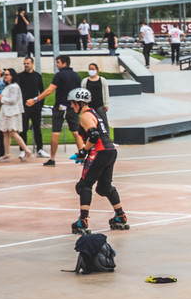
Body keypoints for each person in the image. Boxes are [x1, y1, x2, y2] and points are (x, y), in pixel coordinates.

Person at [67, 86, 130, 234]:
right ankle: (120, 216)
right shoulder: (93, 113)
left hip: (100, 152)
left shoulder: (85, 116)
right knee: (104, 187)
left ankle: (83, 220)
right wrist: (84, 152)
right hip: (110, 151)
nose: (71, 105)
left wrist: (84, 151)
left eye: (73, 102)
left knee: (84, 185)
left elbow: (94, 136)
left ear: (80, 102)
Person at [25, 54, 82, 165]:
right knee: (76, 132)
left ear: (64, 63)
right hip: (72, 107)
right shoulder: (76, 76)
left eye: (58, 62)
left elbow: (49, 91)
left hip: (60, 108)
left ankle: (53, 158)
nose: (56, 64)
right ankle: (82, 155)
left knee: (56, 133)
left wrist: (35, 100)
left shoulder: (59, 75)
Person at [0, 68, 32, 161]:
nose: (5, 76)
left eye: (7, 74)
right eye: (5, 74)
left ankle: (27, 150)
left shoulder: (14, 87)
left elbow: (13, 100)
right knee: (5, 132)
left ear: (12, 76)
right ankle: (7, 153)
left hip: (12, 113)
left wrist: (1, 99)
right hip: (6, 112)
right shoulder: (8, 86)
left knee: (12, 132)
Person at [15, 56, 46, 156]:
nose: (26, 65)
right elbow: (18, 92)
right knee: (23, 129)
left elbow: (42, 91)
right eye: (24, 64)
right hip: (24, 106)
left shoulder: (37, 76)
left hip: (35, 106)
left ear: (32, 64)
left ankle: (40, 149)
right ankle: (22, 149)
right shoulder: (20, 76)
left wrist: (40, 105)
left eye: (28, 63)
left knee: (37, 128)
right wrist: (22, 103)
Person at [82, 63, 110, 131]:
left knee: (104, 123)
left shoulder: (102, 80)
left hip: (100, 105)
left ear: (97, 70)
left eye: (93, 69)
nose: (91, 71)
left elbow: (106, 92)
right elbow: (83, 93)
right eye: (90, 69)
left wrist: (106, 104)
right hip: (89, 106)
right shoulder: (85, 81)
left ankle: (106, 139)